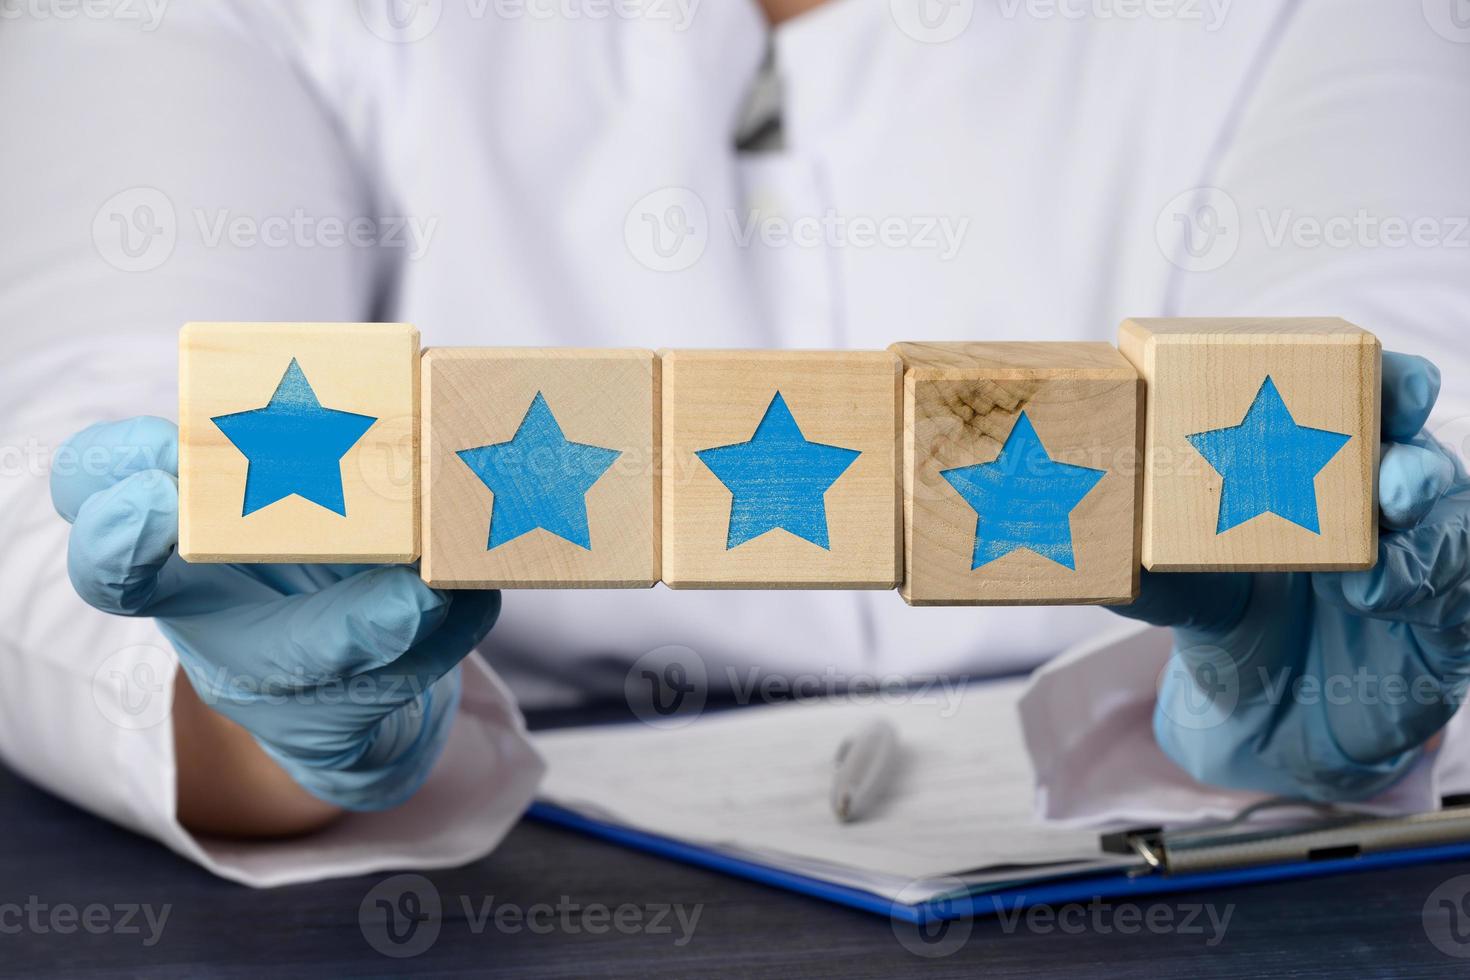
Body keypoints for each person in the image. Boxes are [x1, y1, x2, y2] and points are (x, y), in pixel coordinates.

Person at [1, 0, 1467, 885]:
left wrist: (1339, 691)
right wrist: (270, 727)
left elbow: (1415, 407)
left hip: (1173, 856)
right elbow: (80, 463)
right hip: (515, 878)